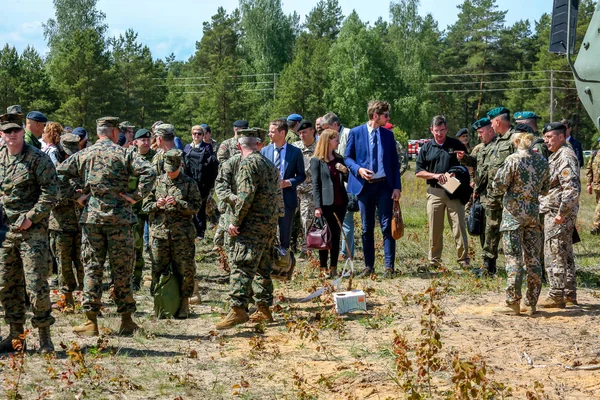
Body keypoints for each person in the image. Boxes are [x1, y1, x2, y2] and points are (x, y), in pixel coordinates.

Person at [56, 116, 156, 337]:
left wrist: (76, 196)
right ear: (114, 132)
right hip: (120, 220)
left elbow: (58, 174)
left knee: (92, 269)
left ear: (98, 132)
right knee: (122, 270)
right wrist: (135, 196)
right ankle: (127, 320)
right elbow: (150, 171)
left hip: (93, 220)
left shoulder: (84, 154)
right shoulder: (124, 153)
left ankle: (91, 321)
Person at [0, 119, 58, 354]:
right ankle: (16, 337)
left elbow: (51, 192)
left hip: (30, 231)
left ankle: (45, 337)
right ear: (1, 134)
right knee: (7, 285)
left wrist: (31, 217)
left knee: (35, 285)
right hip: (4, 232)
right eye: (7, 131)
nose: (12, 134)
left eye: (16, 130)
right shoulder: (1, 157)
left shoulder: (37, 158)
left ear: (23, 132)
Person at [216, 129, 280, 330]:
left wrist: (235, 221)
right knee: (262, 267)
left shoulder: (247, 163)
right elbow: (277, 196)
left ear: (238, 146)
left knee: (242, 264)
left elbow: (245, 196)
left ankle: (238, 310)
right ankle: (263, 308)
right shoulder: (268, 164)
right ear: (259, 144)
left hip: (251, 225)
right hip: (267, 224)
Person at [490, 132, 549, 316]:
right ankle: (531, 303)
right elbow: (545, 189)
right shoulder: (542, 161)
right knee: (533, 259)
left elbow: (498, 185)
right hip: (532, 215)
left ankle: (513, 302)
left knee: (514, 258)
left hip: (513, 216)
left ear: (516, 143)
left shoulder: (513, 160)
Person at [345, 101, 401, 277]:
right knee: (367, 227)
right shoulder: (356, 133)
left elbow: (394, 162)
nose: (388, 118)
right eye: (386, 115)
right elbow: (347, 158)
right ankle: (369, 266)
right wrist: (359, 170)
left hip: (384, 185)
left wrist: (397, 187)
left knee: (387, 226)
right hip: (364, 188)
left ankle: (389, 267)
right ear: (375, 115)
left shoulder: (387, 135)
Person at [143, 149, 202, 319]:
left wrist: (179, 204)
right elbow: (145, 206)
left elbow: (196, 207)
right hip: (159, 234)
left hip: (181, 235)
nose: (170, 173)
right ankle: (160, 302)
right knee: (157, 268)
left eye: (173, 170)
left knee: (185, 269)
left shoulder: (189, 183)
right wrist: (157, 204)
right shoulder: (157, 182)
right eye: (168, 170)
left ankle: (184, 304)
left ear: (180, 166)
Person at [539, 122, 581, 308]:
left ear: (562, 137)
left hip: (558, 213)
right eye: (545, 137)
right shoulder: (557, 155)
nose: (546, 141)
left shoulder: (565, 155)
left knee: (554, 252)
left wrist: (561, 213)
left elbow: (571, 189)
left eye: (550, 137)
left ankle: (556, 294)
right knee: (565, 252)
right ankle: (569, 294)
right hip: (556, 212)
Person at [478, 106, 516, 275]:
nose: (491, 126)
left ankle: (517, 268)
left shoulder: (516, 139)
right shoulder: (498, 141)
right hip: (494, 195)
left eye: (492, 122)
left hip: (511, 197)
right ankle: (488, 266)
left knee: (513, 233)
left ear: (498, 121)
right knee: (491, 229)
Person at [49, 133, 84, 312]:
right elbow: (52, 197)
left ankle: (86, 298)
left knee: (82, 262)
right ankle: (67, 299)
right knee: (63, 264)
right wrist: (74, 196)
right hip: (60, 224)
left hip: (80, 224)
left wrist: (80, 194)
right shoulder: (54, 169)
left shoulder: (81, 167)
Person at [261, 119, 306, 256]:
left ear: (282, 132)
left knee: (285, 231)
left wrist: (289, 182)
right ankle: (268, 257)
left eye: (272, 131)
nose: (269, 134)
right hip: (268, 199)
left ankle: (283, 260)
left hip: (287, 197)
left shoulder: (295, 152)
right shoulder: (264, 151)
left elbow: (301, 175)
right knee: (267, 230)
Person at [311, 129, 348, 278]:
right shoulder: (316, 161)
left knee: (336, 235)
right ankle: (322, 267)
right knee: (324, 235)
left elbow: (346, 179)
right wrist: (317, 206)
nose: (338, 142)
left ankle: (333, 267)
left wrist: (345, 172)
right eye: (335, 139)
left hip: (340, 203)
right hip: (325, 204)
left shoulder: (339, 158)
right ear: (328, 141)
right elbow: (316, 184)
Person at [322, 112, 354, 260]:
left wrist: (344, 170)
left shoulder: (348, 134)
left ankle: (345, 252)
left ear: (335, 125)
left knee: (345, 222)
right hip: (330, 188)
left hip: (345, 184)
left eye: (327, 128)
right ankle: (333, 252)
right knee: (330, 226)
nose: (324, 132)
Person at [129, 128, 156, 290]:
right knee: (136, 246)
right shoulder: (130, 157)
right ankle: (135, 279)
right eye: (142, 140)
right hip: (136, 208)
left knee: (155, 246)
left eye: (148, 139)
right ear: (136, 142)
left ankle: (157, 278)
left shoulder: (156, 157)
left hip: (153, 208)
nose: (146, 142)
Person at [292, 120, 318, 257]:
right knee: (287, 217)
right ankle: (289, 245)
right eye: (300, 133)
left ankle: (307, 248)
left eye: (304, 132)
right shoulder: (295, 147)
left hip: (310, 190)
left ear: (312, 131)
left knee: (307, 219)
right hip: (294, 188)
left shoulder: (320, 147)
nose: (302, 135)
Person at [587, 140, 600, 235]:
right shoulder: (595, 154)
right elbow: (589, 169)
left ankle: (596, 227)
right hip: (596, 186)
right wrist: (588, 184)